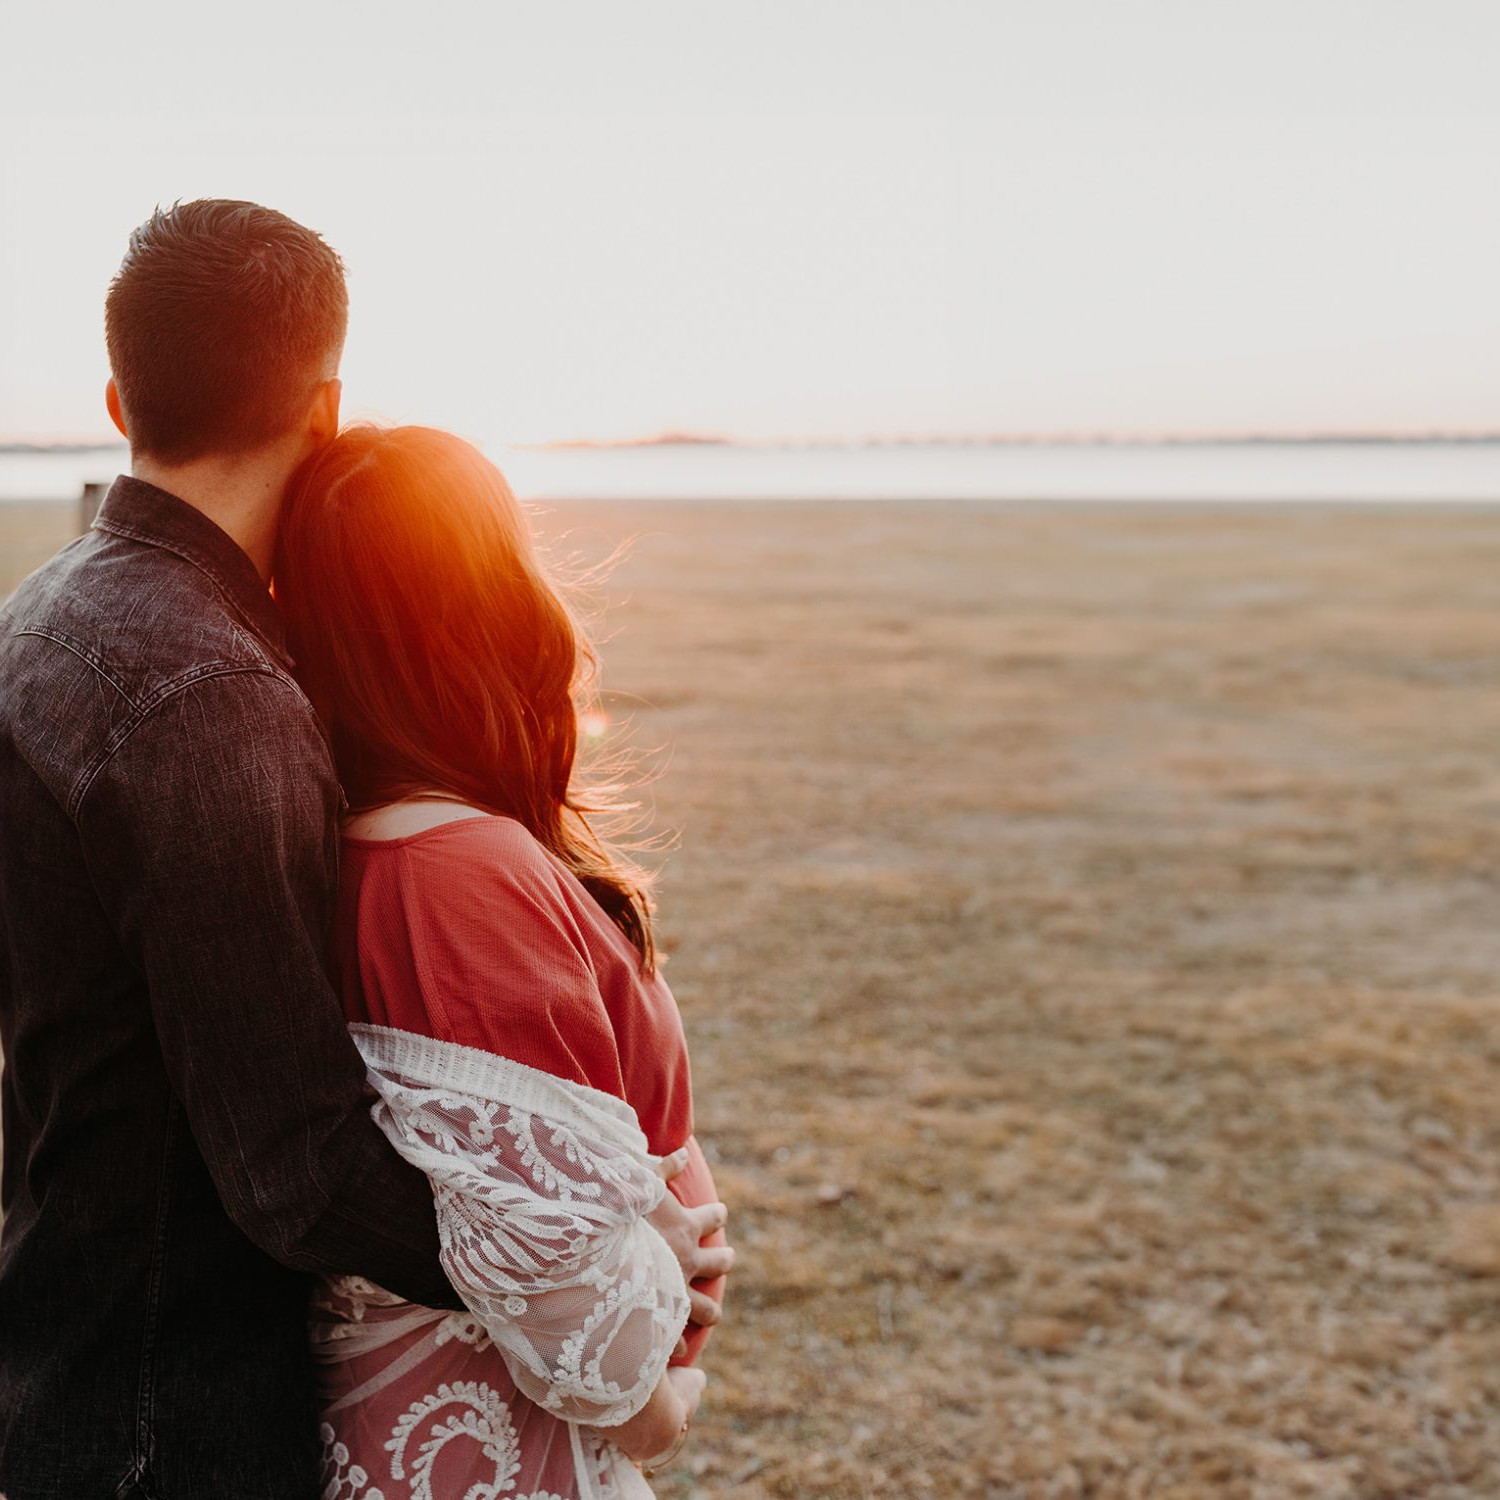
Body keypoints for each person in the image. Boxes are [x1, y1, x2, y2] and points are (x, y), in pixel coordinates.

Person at [0, 201, 731, 1499]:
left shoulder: (46, 615)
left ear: (120, 398)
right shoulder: (206, 693)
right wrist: (611, 1265)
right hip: (175, 1412)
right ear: (326, 410)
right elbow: (298, 1173)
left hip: (67, 1325)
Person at [274, 425, 731, 1498]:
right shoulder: (456, 876)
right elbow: (551, 1269)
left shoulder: (377, 846)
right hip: (496, 1446)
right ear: (488, 603)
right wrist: (662, 1409)